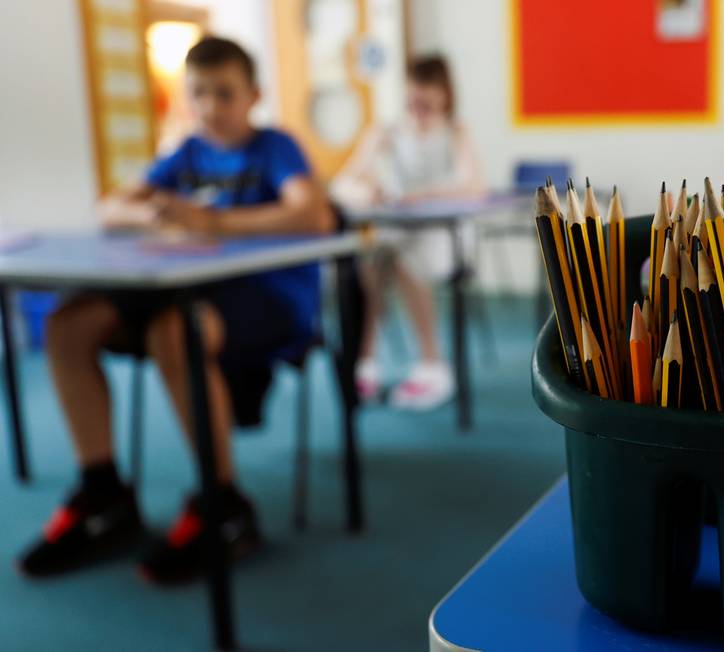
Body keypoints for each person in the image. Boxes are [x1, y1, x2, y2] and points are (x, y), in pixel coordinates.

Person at [17, 37, 334, 583]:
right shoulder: (185, 153)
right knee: (67, 324)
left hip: (271, 295)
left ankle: (224, 506)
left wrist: (215, 223)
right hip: (187, 285)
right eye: (200, 93)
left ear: (253, 95)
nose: (211, 106)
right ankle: (103, 497)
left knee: (176, 331)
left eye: (225, 93)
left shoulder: (275, 147)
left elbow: (313, 215)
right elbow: (113, 206)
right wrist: (158, 213)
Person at [331, 55, 484, 410]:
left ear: (444, 96)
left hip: (447, 236)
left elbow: (473, 186)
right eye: (412, 102)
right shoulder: (387, 131)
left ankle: (433, 364)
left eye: (426, 104)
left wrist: (421, 194)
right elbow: (344, 183)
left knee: (402, 257)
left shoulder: (456, 131)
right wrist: (365, 191)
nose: (418, 111)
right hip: (398, 232)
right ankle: (365, 361)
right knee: (370, 260)